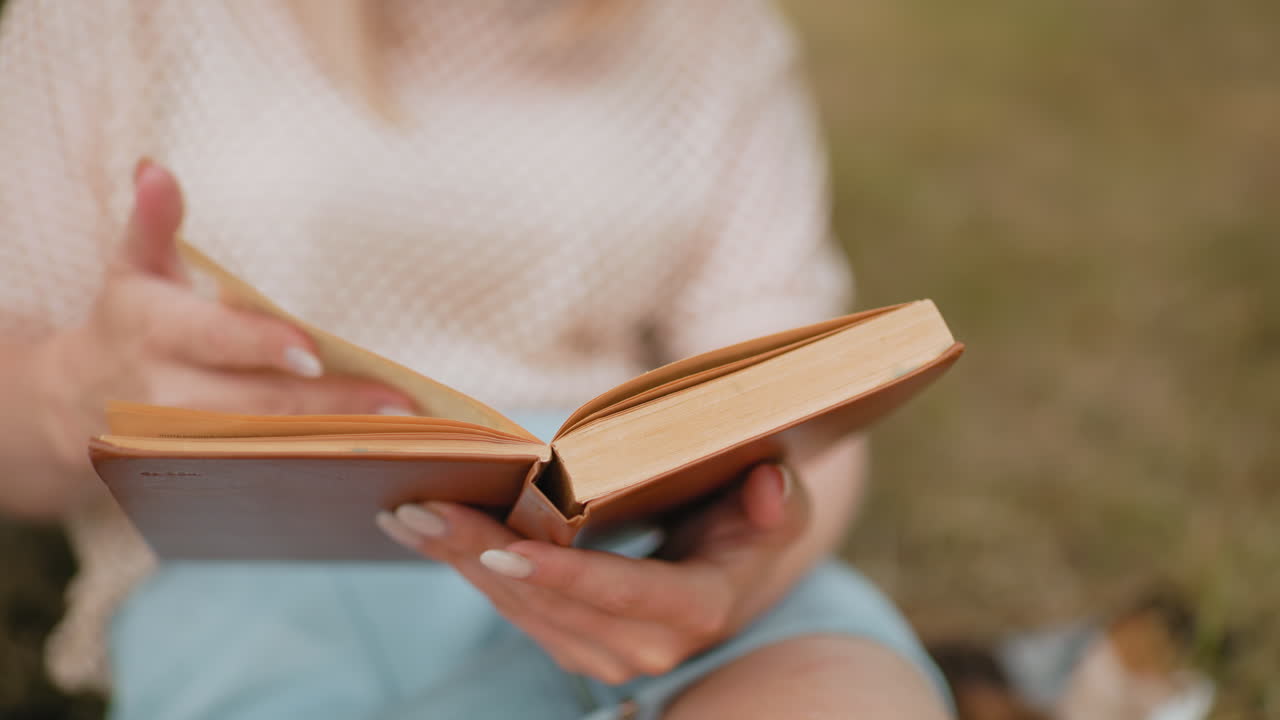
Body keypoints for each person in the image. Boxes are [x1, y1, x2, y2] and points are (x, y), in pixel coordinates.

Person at [0, 1, 951, 718]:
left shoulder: (713, 27)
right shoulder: (110, 17)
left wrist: (742, 578)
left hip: (637, 552)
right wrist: (65, 396)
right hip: (262, 576)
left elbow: (805, 414)